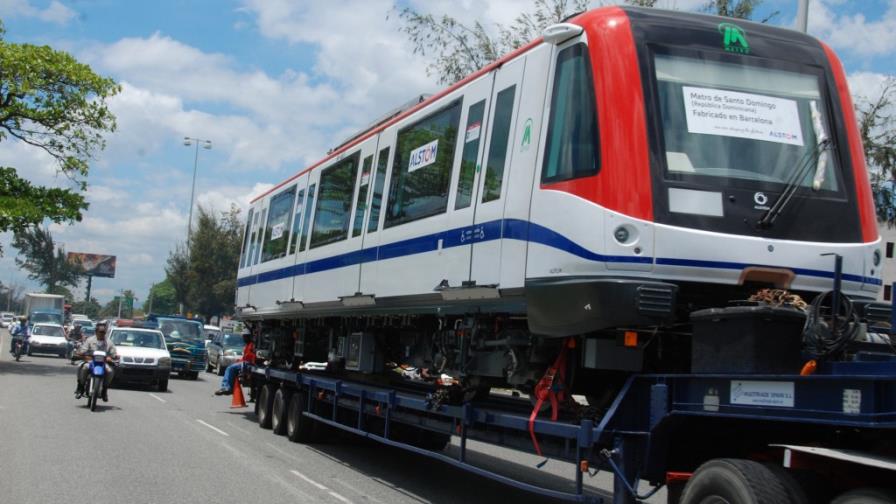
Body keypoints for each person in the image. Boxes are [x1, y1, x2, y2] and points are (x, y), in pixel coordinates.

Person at [75, 320, 117, 402]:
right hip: (90, 361)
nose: (101, 334)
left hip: (103, 363)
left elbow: (113, 353)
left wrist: (112, 357)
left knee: (110, 371)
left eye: (103, 332)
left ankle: (104, 390)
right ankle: (81, 387)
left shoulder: (109, 342)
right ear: (96, 332)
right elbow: (83, 350)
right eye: (100, 332)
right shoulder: (90, 340)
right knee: (82, 367)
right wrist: (80, 353)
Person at [214, 331, 255, 396]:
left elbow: (249, 357)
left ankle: (226, 387)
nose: (243, 338)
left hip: (249, 363)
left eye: (245, 337)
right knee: (232, 367)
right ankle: (230, 388)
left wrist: (242, 361)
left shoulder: (252, 345)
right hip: (246, 362)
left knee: (230, 368)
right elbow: (245, 358)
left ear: (249, 337)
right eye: (243, 337)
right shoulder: (248, 345)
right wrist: (239, 361)